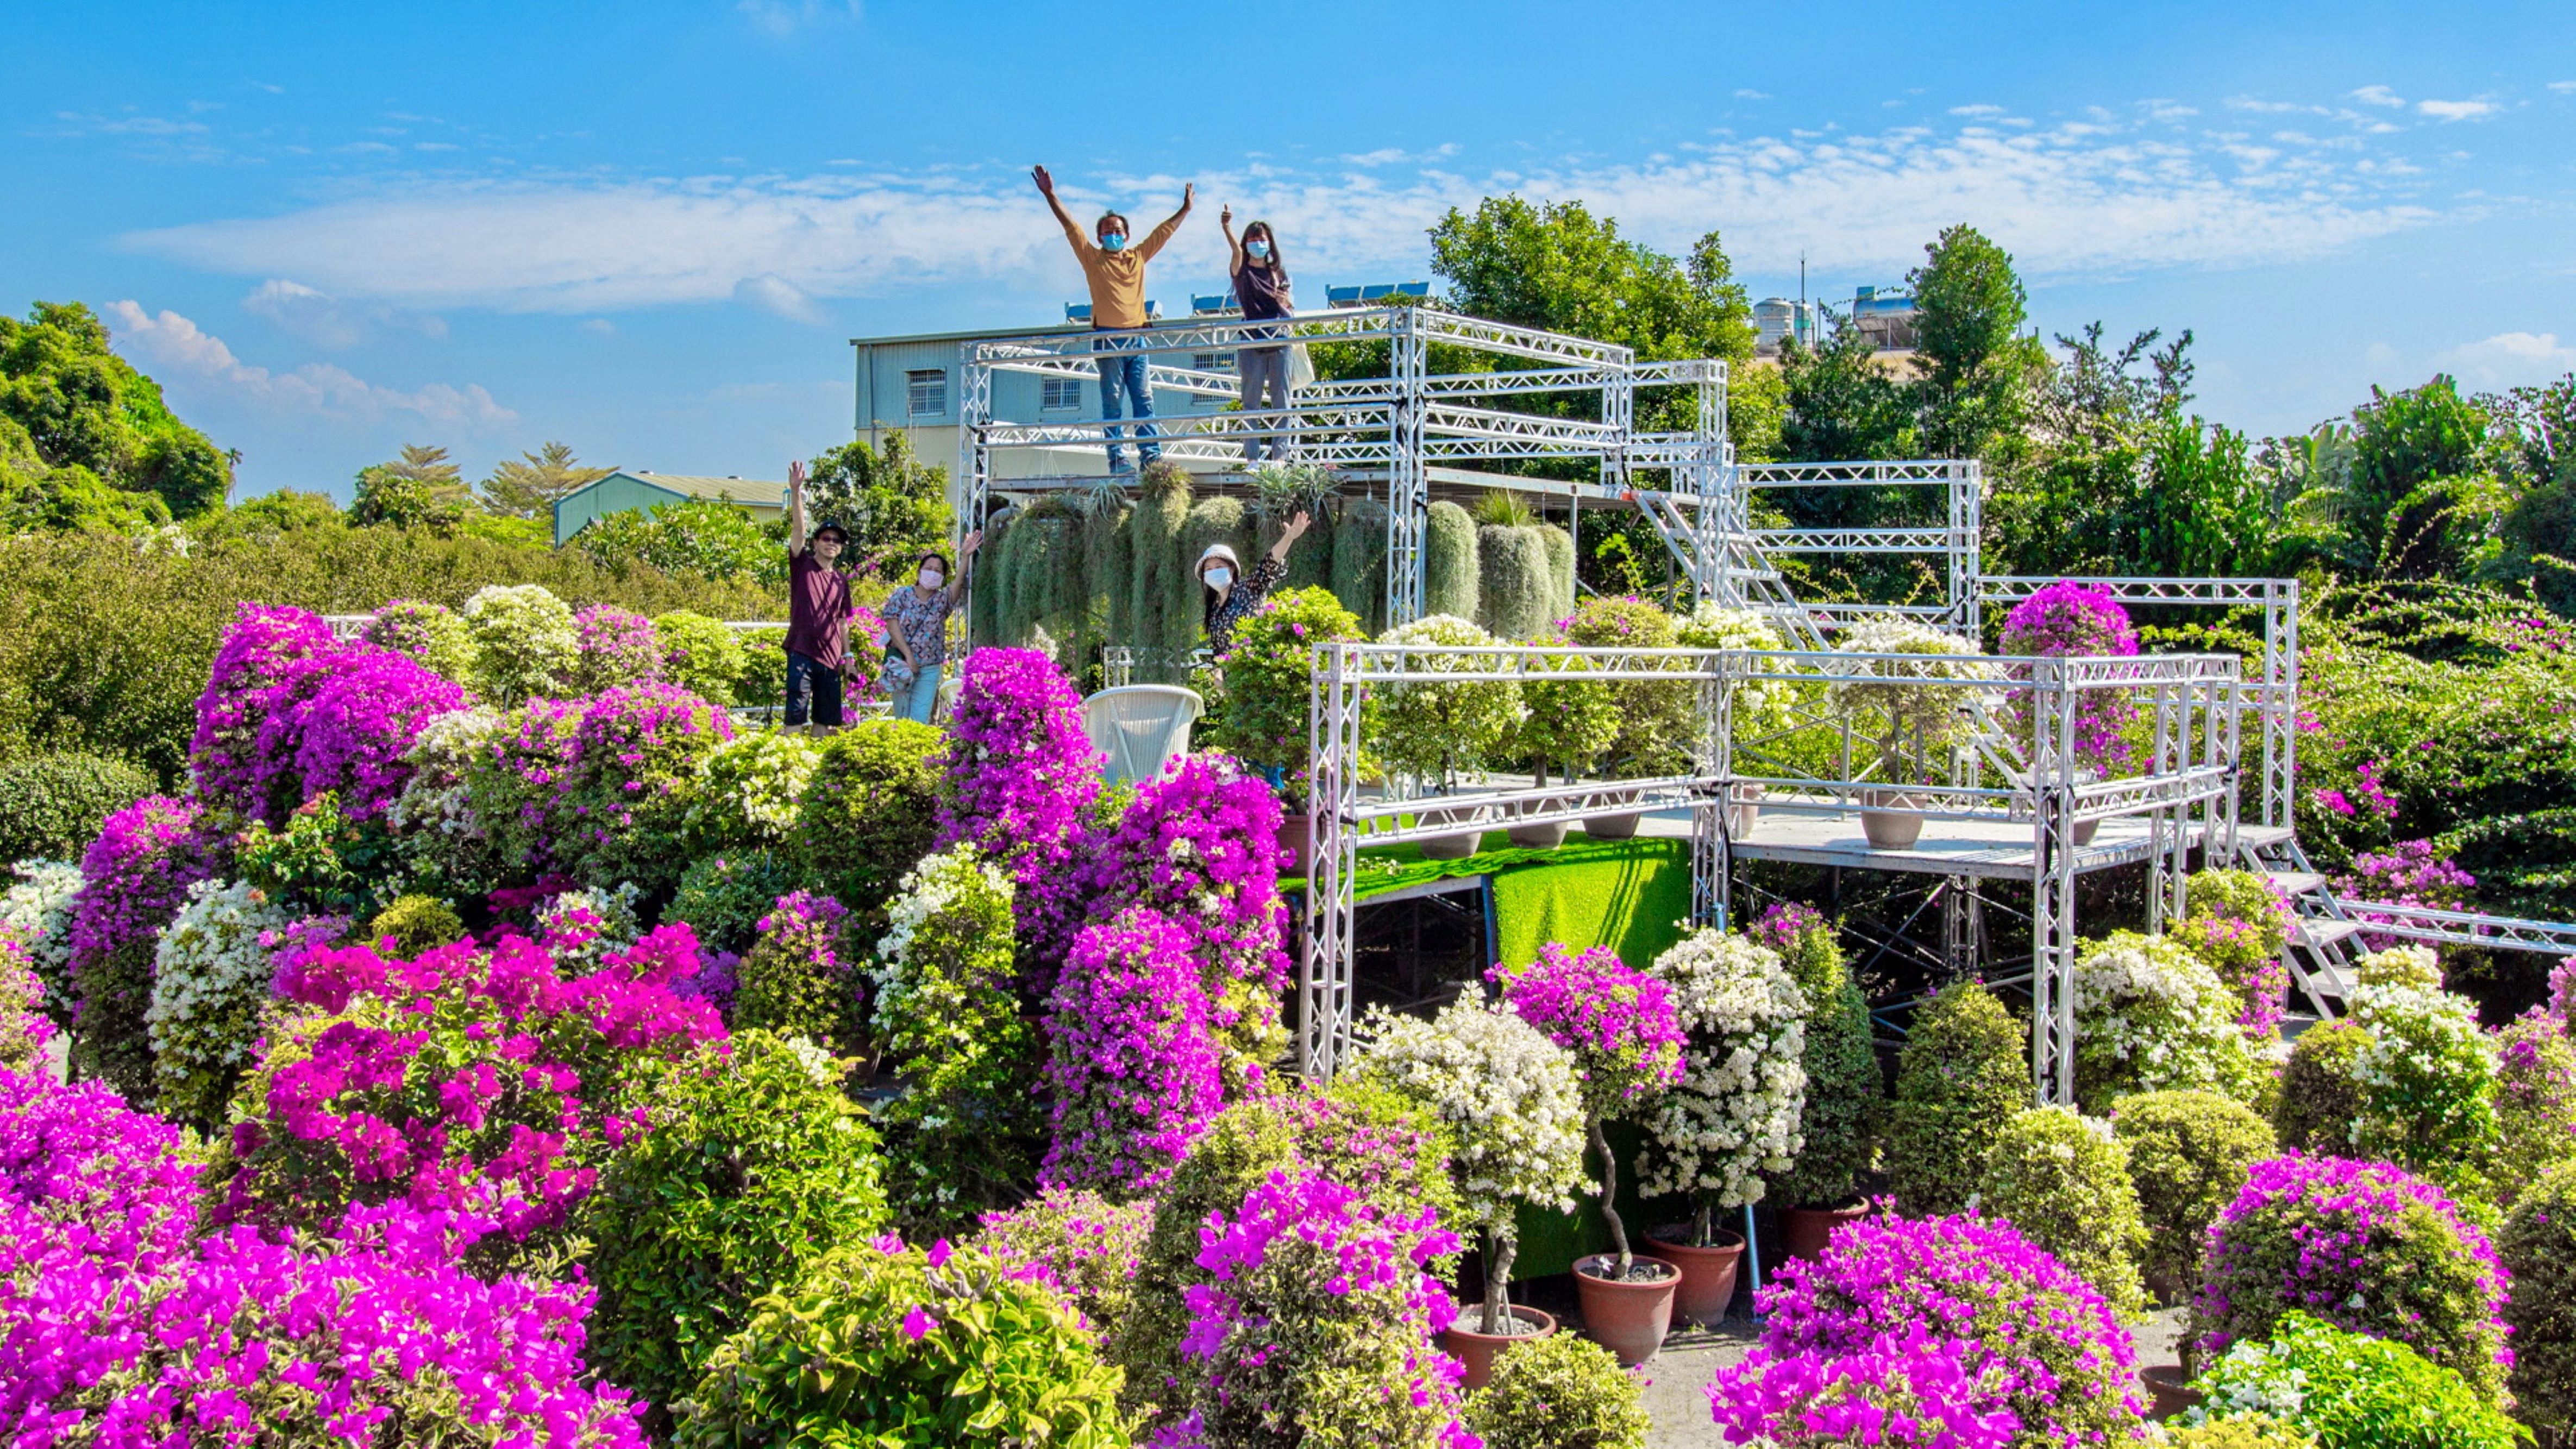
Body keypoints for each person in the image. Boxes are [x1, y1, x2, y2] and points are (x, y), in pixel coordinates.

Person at [1033, 164, 1193, 475]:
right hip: (1107, 337)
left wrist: (1185, 209)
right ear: (1099, 236)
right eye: (1108, 231)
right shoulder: (1092, 258)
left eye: (1118, 231)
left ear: (1127, 235)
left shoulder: (1137, 257)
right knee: (1113, 403)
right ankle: (1117, 459)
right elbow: (1071, 228)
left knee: (1144, 400)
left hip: (1137, 337)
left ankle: (1151, 457)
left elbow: (1163, 233)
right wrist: (1051, 194)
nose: (1114, 235)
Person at [781, 459, 855, 730]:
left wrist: (848, 658)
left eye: (837, 541)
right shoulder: (802, 565)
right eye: (826, 538)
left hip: (831, 656)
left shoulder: (841, 580)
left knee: (825, 720)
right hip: (801, 649)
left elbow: (842, 622)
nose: (832, 544)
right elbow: (798, 529)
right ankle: (790, 764)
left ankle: (818, 769)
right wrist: (797, 492)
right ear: (816, 542)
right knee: (795, 713)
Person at [879, 532, 982, 725]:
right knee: (902, 717)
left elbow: (958, 583)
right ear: (919, 572)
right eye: (929, 568)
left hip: (929, 668)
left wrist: (966, 556)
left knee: (919, 720)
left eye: (938, 571)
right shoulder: (902, 595)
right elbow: (892, 624)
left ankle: (916, 754)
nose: (933, 573)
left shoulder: (942, 600)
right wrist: (909, 657)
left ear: (943, 577)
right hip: (901, 663)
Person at [1220, 206, 1294, 463]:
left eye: (1262, 239)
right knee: (1250, 402)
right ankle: (1252, 459)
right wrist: (1227, 228)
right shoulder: (1242, 271)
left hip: (1280, 338)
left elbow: (1290, 308)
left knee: (1282, 402)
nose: (1258, 244)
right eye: (1253, 239)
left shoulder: (1279, 272)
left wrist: (1285, 302)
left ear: (1270, 243)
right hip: (1252, 338)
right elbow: (1236, 252)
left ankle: (1280, 458)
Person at [1200, 509, 1311, 655]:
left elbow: (1268, 565)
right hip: (1230, 676)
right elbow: (1218, 653)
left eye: (1219, 567)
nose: (1213, 572)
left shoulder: (1248, 589)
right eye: (1208, 569)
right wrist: (1218, 676)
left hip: (1255, 672)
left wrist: (1288, 537)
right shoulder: (1214, 610)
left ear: (1232, 569)